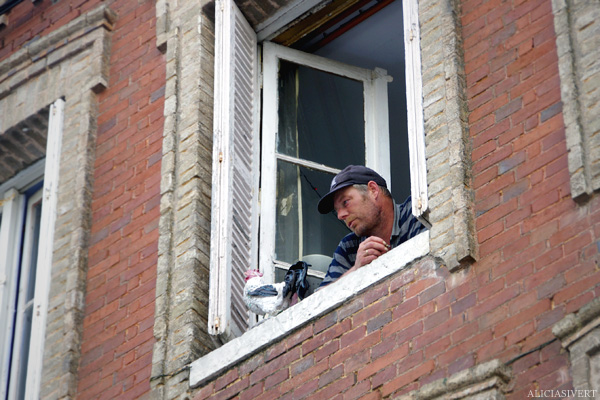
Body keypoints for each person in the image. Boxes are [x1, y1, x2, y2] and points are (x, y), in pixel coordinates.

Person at [317, 165, 427, 288]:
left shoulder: (417, 211)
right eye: (336, 210)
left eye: (345, 202)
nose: (340, 215)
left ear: (373, 190)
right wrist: (356, 270)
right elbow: (318, 301)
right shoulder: (349, 247)